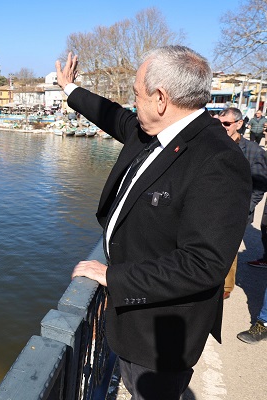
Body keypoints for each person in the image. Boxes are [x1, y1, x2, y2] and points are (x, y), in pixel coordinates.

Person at [55, 46, 251, 399]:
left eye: (136, 95)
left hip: (160, 338)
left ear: (160, 99)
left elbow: (202, 264)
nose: (133, 104)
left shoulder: (218, 160)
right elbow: (111, 115)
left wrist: (111, 276)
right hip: (133, 320)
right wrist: (70, 89)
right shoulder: (154, 131)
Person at [217, 107, 267, 299]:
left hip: (238, 210)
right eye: (219, 123)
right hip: (213, 205)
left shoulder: (253, 151)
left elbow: (260, 186)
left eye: (226, 124)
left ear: (238, 124)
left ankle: (225, 287)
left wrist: (245, 208)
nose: (222, 127)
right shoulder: (213, 144)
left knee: (229, 245)